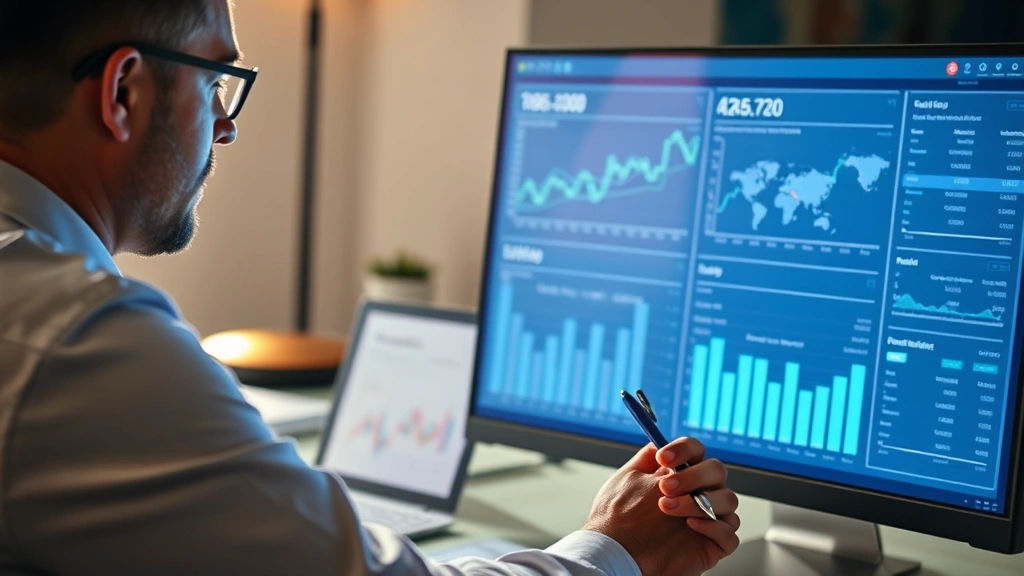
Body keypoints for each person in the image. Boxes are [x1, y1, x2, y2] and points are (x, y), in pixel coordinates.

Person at [0, 1, 741, 574]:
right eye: (214, 82)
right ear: (124, 91)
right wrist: (612, 549)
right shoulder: (78, 343)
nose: (225, 127)